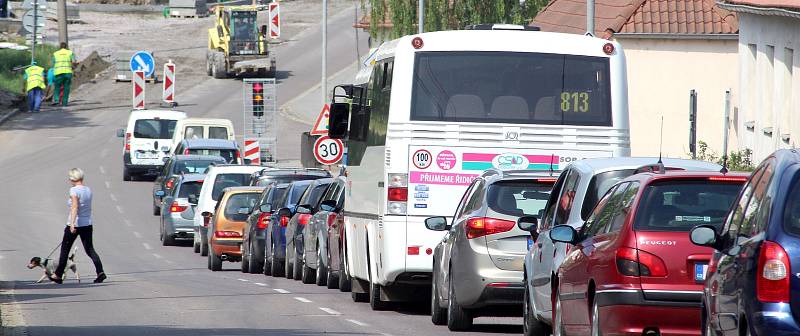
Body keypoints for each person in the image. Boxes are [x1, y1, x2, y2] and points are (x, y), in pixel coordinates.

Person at [50, 168, 106, 284]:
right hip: (87, 224)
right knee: (90, 249)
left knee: (65, 249)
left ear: (72, 178)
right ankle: (100, 272)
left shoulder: (74, 191)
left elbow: (75, 207)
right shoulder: (88, 190)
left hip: (75, 224)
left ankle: (58, 275)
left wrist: (72, 224)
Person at [51, 42, 76, 106]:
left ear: (60, 47)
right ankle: (64, 103)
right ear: (66, 47)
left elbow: (53, 64)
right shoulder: (70, 53)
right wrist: (73, 67)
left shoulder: (55, 53)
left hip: (58, 73)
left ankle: (56, 100)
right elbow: (73, 61)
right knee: (66, 88)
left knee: (57, 87)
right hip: (67, 72)